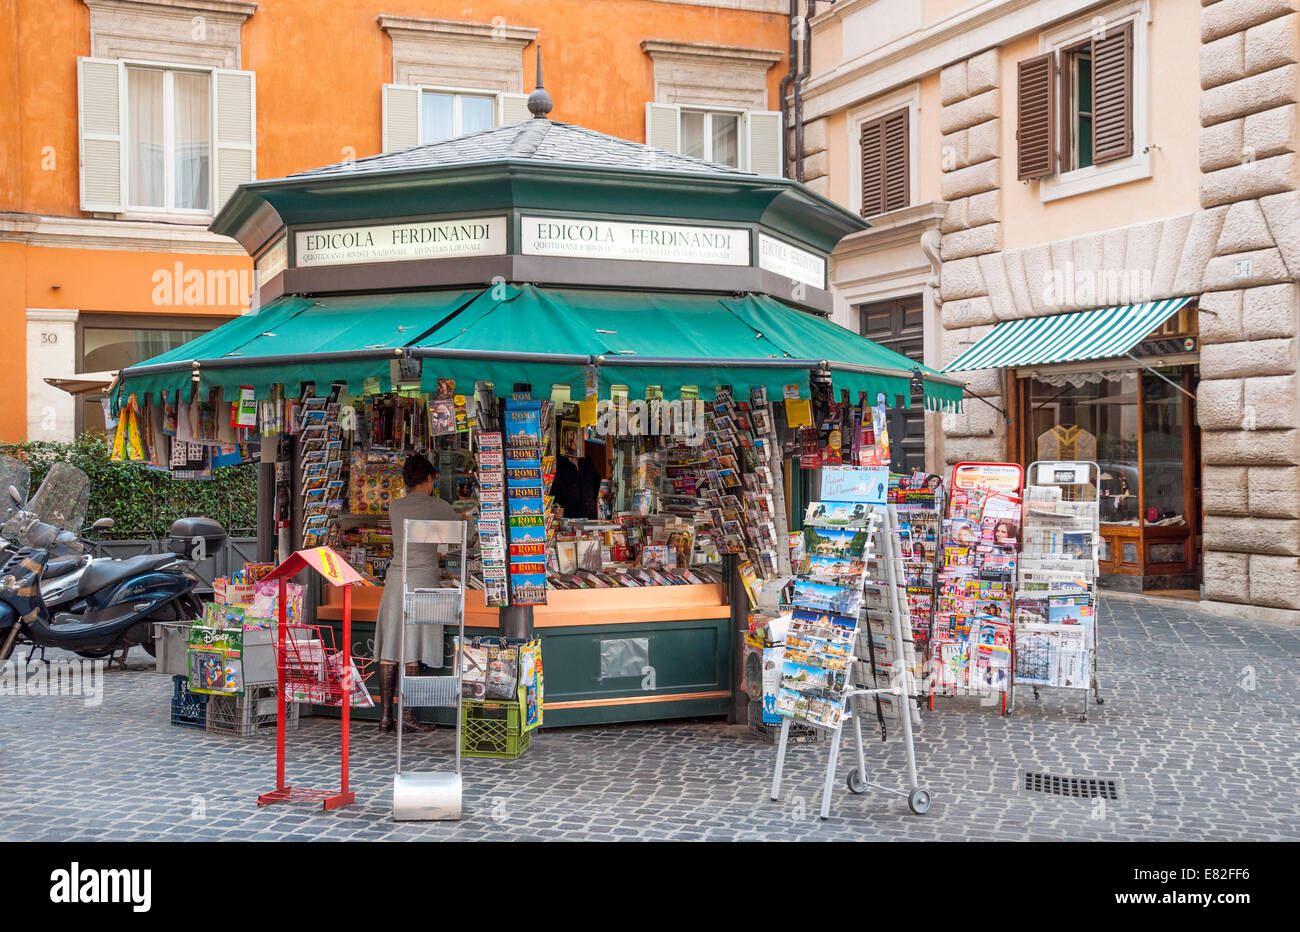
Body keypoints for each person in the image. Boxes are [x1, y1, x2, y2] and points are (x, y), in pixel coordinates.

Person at [373, 454, 463, 733]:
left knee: (391, 647)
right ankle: (408, 715)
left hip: (395, 579)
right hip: (423, 579)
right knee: (413, 647)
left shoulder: (395, 507)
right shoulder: (439, 506)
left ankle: (386, 716)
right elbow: (459, 535)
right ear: (430, 479)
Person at [554, 449, 600, 519]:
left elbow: (596, 483)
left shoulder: (586, 460)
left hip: (589, 515)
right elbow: (555, 491)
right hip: (568, 516)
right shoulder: (560, 462)